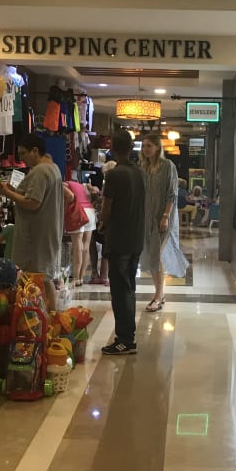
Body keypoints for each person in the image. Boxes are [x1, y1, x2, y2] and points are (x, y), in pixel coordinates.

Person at [0, 133, 68, 311]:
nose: (22, 159)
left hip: (36, 236)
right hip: (47, 231)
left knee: (35, 277)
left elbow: (33, 202)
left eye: (23, 153)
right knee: (44, 277)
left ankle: (40, 315)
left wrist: (7, 193)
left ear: (35, 151)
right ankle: (51, 315)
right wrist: (12, 190)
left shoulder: (40, 171)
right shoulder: (54, 168)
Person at [99, 131, 145, 355]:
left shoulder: (115, 175)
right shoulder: (139, 172)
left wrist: (102, 223)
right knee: (129, 288)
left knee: (120, 291)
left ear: (112, 148)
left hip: (119, 239)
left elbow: (107, 209)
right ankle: (128, 337)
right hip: (136, 237)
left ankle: (125, 339)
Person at [139, 133, 188, 311]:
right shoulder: (143, 167)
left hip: (164, 217)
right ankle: (159, 293)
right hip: (147, 217)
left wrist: (166, 216)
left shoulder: (168, 166)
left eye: (149, 146)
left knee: (156, 254)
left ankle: (158, 296)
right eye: (143, 146)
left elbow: (172, 194)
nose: (145, 149)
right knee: (152, 254)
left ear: (157, 147)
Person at [88, 160, 115, 285]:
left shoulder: (112, 185)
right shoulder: (107, 185)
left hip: (106, 220)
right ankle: (99, 274)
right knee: (98, 243)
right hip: (100, 219)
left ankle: (102, 274)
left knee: (105, 246)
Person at [64, 179, 95, 286]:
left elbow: (70, 196)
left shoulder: (64, 184)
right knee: (86, 246)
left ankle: (75, 278)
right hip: (90, 211)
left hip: (78, 210)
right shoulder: (82, 186)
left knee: (77, 245)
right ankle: (81, 277)